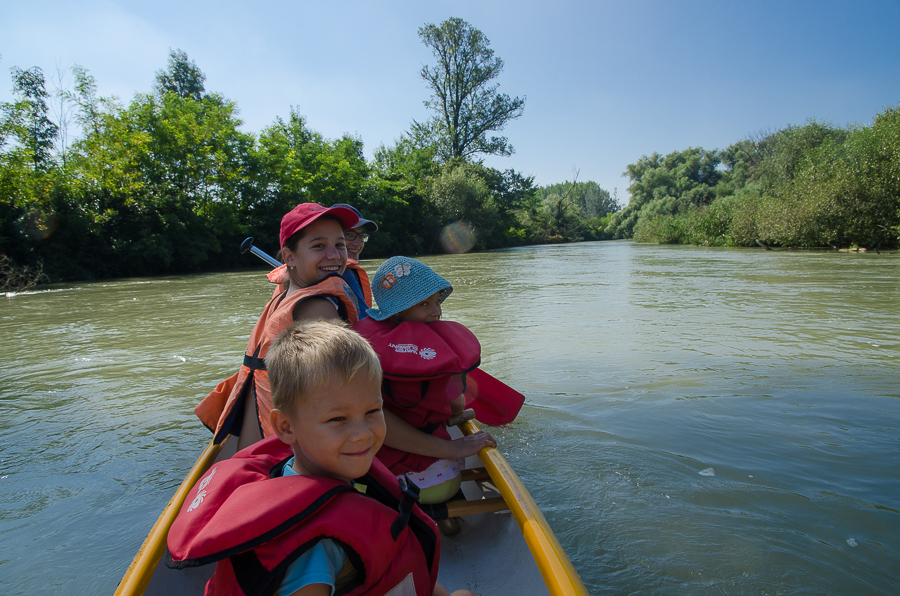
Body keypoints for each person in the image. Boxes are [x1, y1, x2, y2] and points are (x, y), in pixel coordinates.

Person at [167, 320, 475, 596]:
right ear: (286, 427)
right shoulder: (314, 547)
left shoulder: (315, 469)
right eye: (338, 419)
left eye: (372, 412)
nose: (362, 434)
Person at [194, 203, 362, 451]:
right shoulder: (316, 306)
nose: (335, 255)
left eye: (339, 245)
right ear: (289, 257)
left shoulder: (285, 294)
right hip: (289, 445)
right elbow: (342, 391)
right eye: (319, 246)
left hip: (259, 432)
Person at [353, 257, 496, 505]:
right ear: (397, 311)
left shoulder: (361, 346)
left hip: (370, 474)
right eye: (424, 304)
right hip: (430, 484)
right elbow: (457, 407)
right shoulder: (436, 354)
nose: (437, 311)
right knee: (447, 475)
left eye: (437, 301)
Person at [332, 203, 378, 319]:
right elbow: (364, 324)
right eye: (349, 234)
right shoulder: (345, 272)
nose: (358, 243)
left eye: (362, 236)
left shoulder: (305, 271)